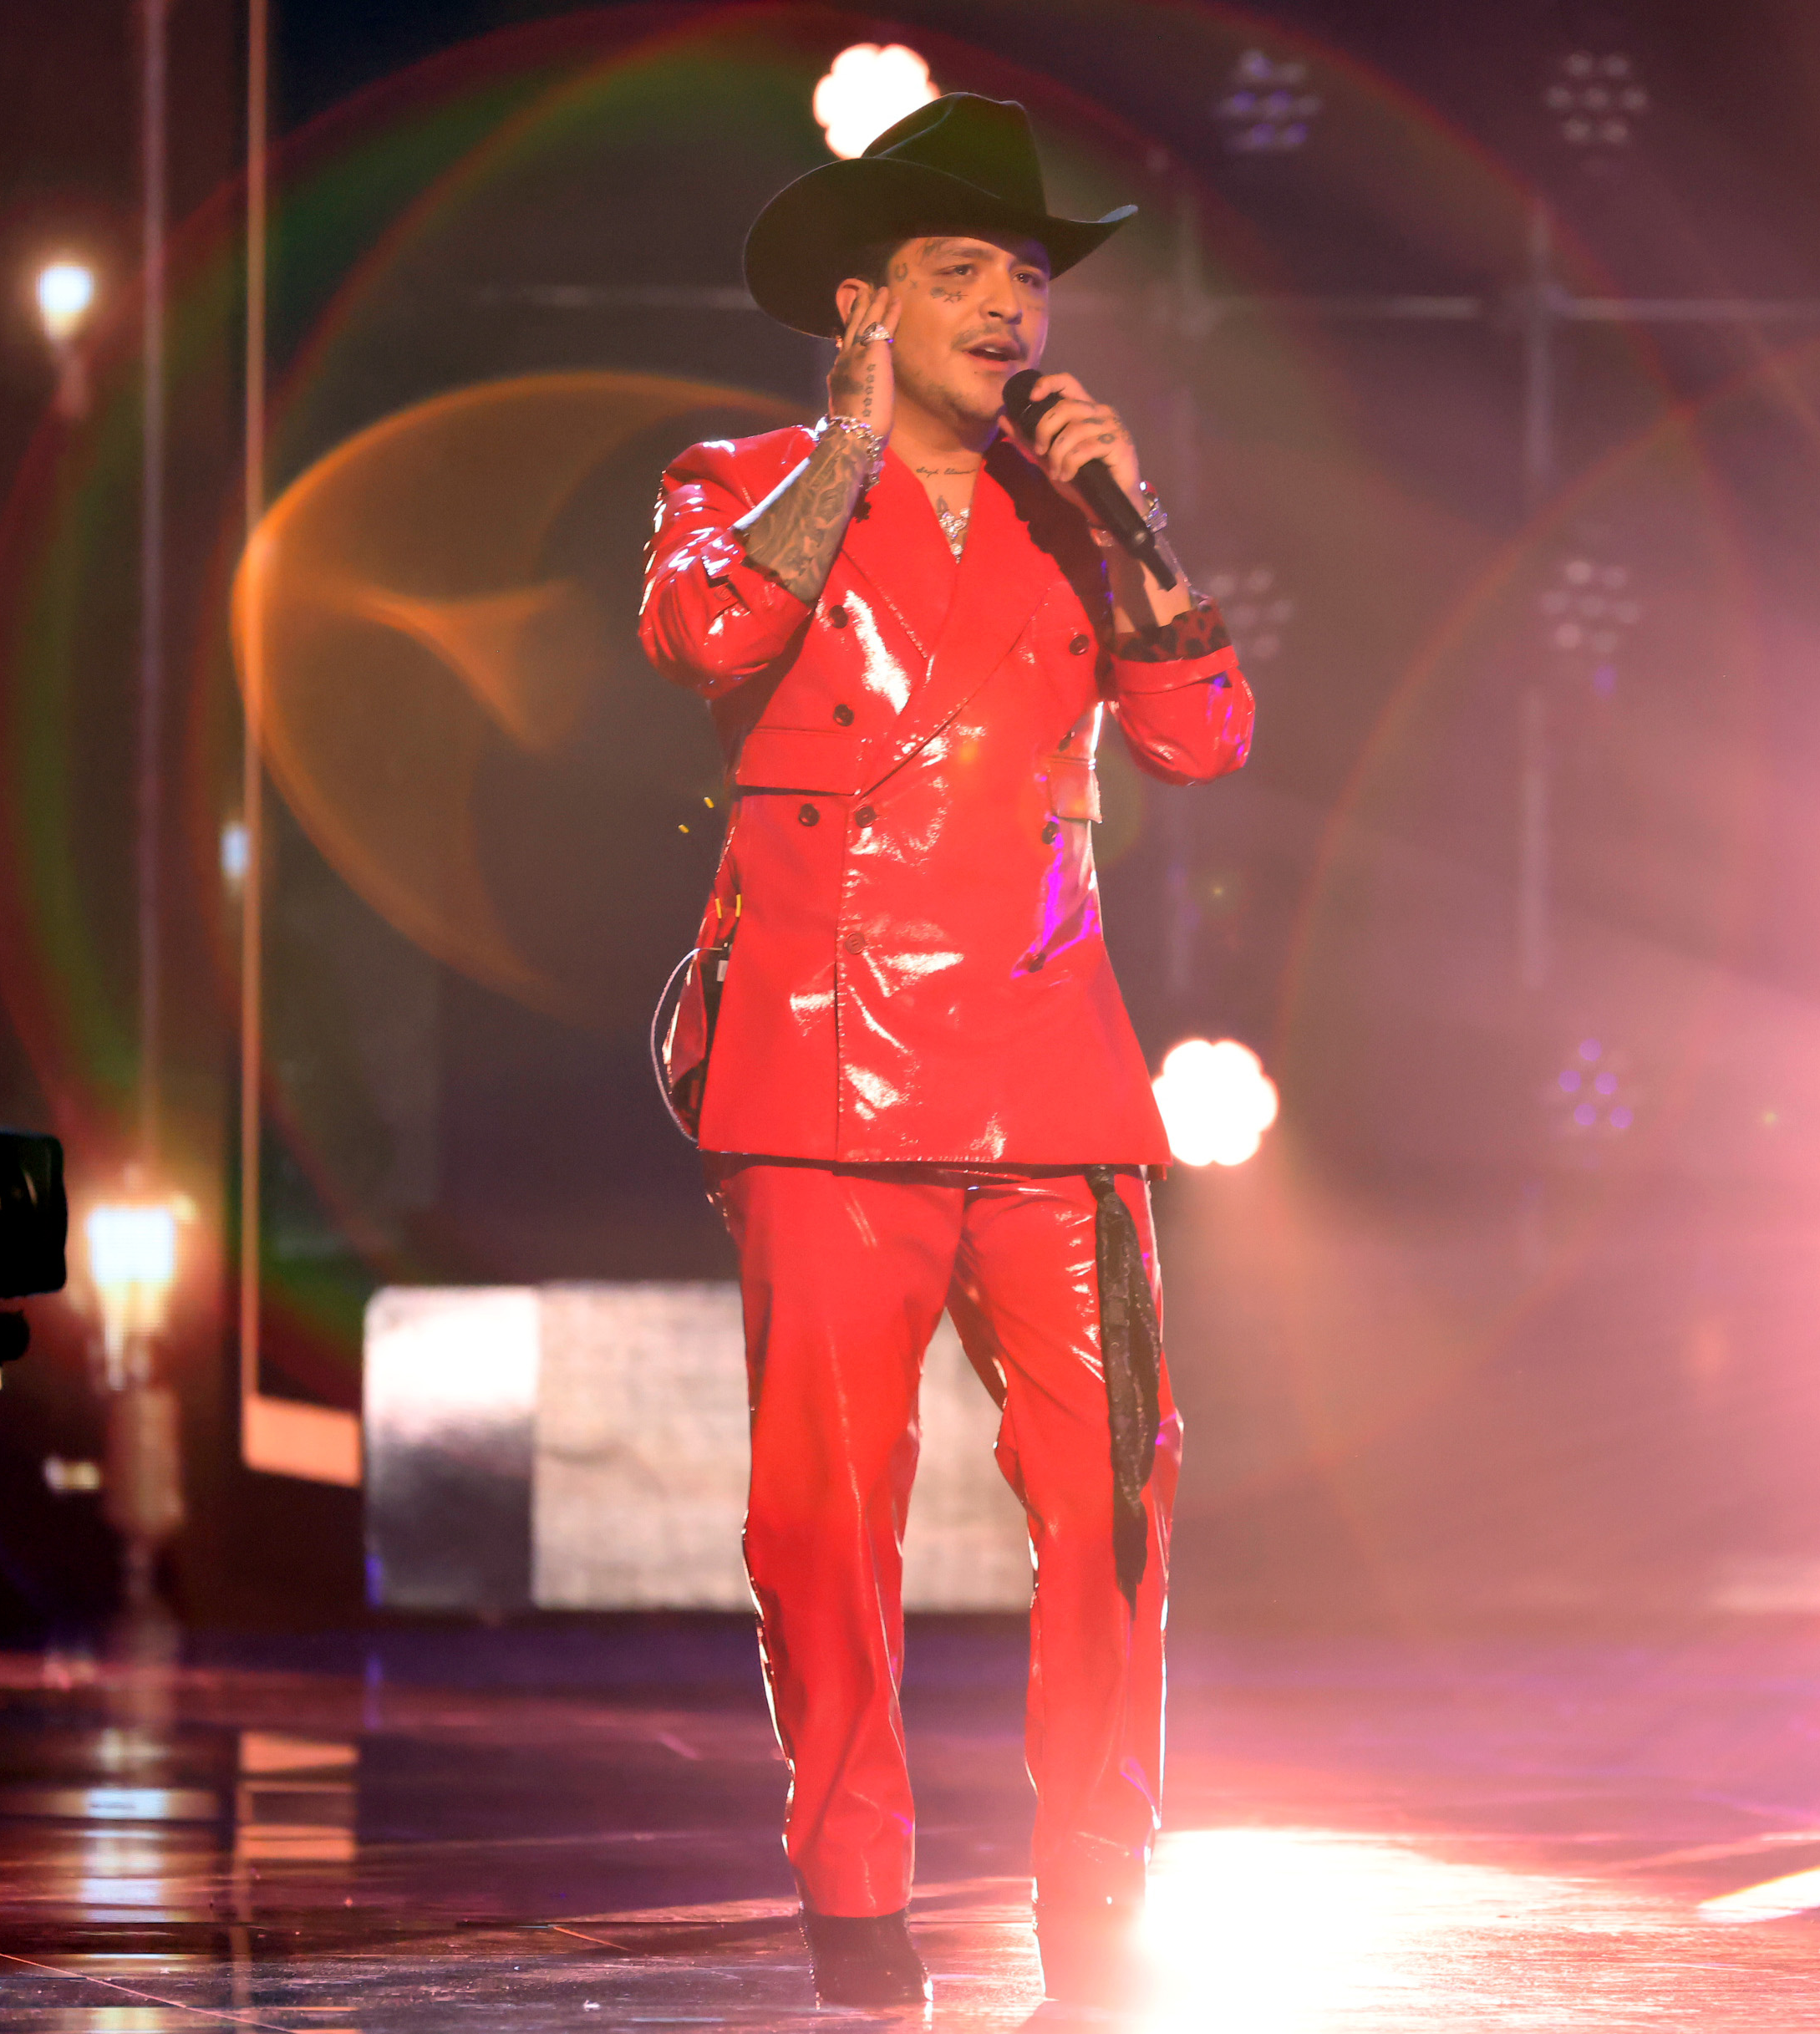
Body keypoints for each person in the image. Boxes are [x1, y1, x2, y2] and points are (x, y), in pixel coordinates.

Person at [636, 92, 1253, 2011]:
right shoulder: (737, 478)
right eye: (960, 268)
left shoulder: (1076, 519)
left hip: (1052, 1068)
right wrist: (839, 443)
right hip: (823, 1068)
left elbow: (1201, 734)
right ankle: (856, 1894)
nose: (1009, 306)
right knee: (822, 1523)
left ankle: (1102, 1896)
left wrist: (1133, 516)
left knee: (1122, 1496)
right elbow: (700, 632)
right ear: (864, 303)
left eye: (1029, 277)